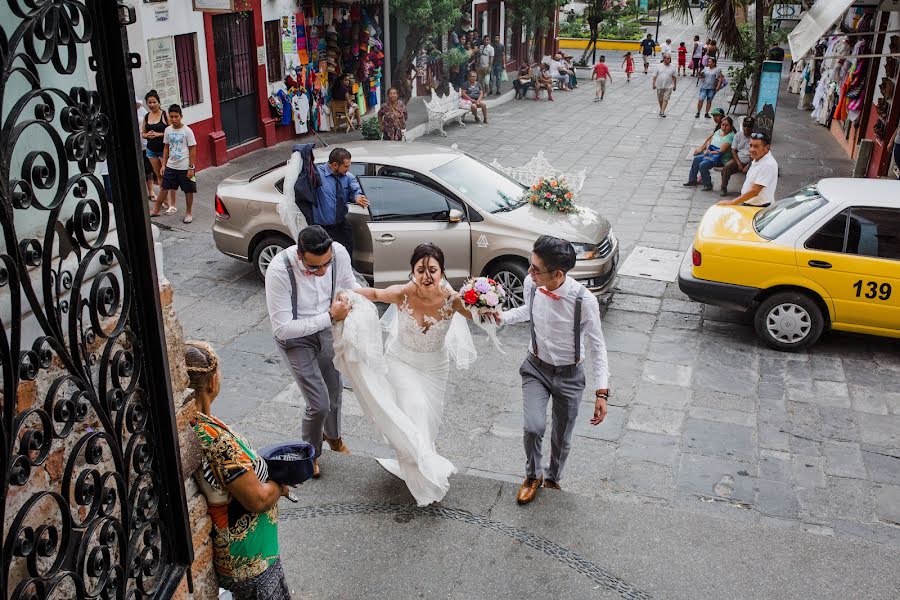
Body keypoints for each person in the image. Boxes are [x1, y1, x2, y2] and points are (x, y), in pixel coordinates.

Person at [334, 244, 486, 506]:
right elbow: (375, 293)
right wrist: (347, 295)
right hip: (401, 361)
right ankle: (421, 474)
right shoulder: (403, 293)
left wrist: (488, 305)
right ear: (412, 272)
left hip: (435, 368)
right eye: (420, 270)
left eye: (433, 270)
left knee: (427, 421)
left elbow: (478, 317)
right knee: (413, 408)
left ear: (442, 271)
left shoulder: (453, 301)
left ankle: (416, 459)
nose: (427, 276)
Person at [500, 236, 609, 505]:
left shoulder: (584, 301)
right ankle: (533, 476)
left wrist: (601, 392)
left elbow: (597, 346)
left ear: (558, 274)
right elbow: (528, 310)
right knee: (533, 427)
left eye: (536, 269)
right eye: (530, 264)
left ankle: (553, 478)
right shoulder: (532, 284)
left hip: (570, 375)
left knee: (562, 437)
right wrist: (500, 317)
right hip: (536, 367)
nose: (529, 272)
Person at [188, 341, 293, 600]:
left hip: (243, 555)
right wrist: (280, 486)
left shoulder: (197, 425)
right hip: (249, 558)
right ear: (212, 383)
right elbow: (256, 499)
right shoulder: (214, 439)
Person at [265, 226, 361, 478]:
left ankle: (334, 437)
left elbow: (350, 286)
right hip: (296, 339)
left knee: (335, 390)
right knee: (318, 404)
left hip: (328, 330)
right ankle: (311, 453)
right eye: (314, 268)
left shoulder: (338, 253)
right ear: (299, 255)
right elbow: (283, 328)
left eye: (326, 265)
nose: (322, 272)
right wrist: (330, 315)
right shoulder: (278, 270)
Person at [309, 148, 369, 258]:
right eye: (346, 166)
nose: (348, 169)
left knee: (346, 256)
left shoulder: (348, 177)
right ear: (335, 165)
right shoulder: (317, 175)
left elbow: (355, 189)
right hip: (322, 229)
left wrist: (357, 197)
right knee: (326, 260)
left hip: (341, 225)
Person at [150, 104, 196, 223]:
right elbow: (166, 148)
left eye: (176, 116)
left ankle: (189, 213)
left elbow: (192, 150)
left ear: (181, 116)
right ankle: (155, 210)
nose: (174, 119)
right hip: (171, 166)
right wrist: (164, 165)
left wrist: (191, 168)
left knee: (188, 190)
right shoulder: (168, 130)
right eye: (172, 117)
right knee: (164, 187)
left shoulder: (187, 131)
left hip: (185, 167)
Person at [718, 132, 779, 206]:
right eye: (751, 145)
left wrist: (732, 202)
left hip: (758, 207)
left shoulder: (767, 165)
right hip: (750, 203)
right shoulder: (759, 157)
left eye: (756, 147)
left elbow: (754, 191)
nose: (752, 149)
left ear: (767, 148)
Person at [684, 116, 735, 191]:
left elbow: (721, 151)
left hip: (720, 158)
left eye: (727, 125)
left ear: (731, 126)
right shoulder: (718, 131)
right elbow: (709, 141)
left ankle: (707, 184)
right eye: (723, 125)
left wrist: (709, 152)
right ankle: (692, 180)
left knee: (703, 165)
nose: (724, 127)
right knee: (696, 159)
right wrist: (707, 148)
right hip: (711, 154)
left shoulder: (731, 136)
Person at [141, 90, 169, 212]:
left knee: (165, 175)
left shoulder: (164, 115)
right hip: (151, 150)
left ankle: (168, 201)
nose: (152, 105)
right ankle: (165, 201)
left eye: (154, 102)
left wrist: (158, 134)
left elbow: (170, 132)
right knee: (158, 176)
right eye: (149, 102)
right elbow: (142, 133)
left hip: (163, 150)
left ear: (158, 102)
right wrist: (148, 135)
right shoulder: (146, 116)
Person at [720, 117, 753, 196]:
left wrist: (748, 165)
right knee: (727, 167)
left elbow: (755, 155)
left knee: (754, 172)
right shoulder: (738, 135)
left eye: (749, 127)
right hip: (738, 159)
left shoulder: (754, 137)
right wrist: (739, 164)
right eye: (745, 126)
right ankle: (723, 187)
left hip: (751, 161)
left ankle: (749, 191)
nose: (746, 129)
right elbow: (733, 151)